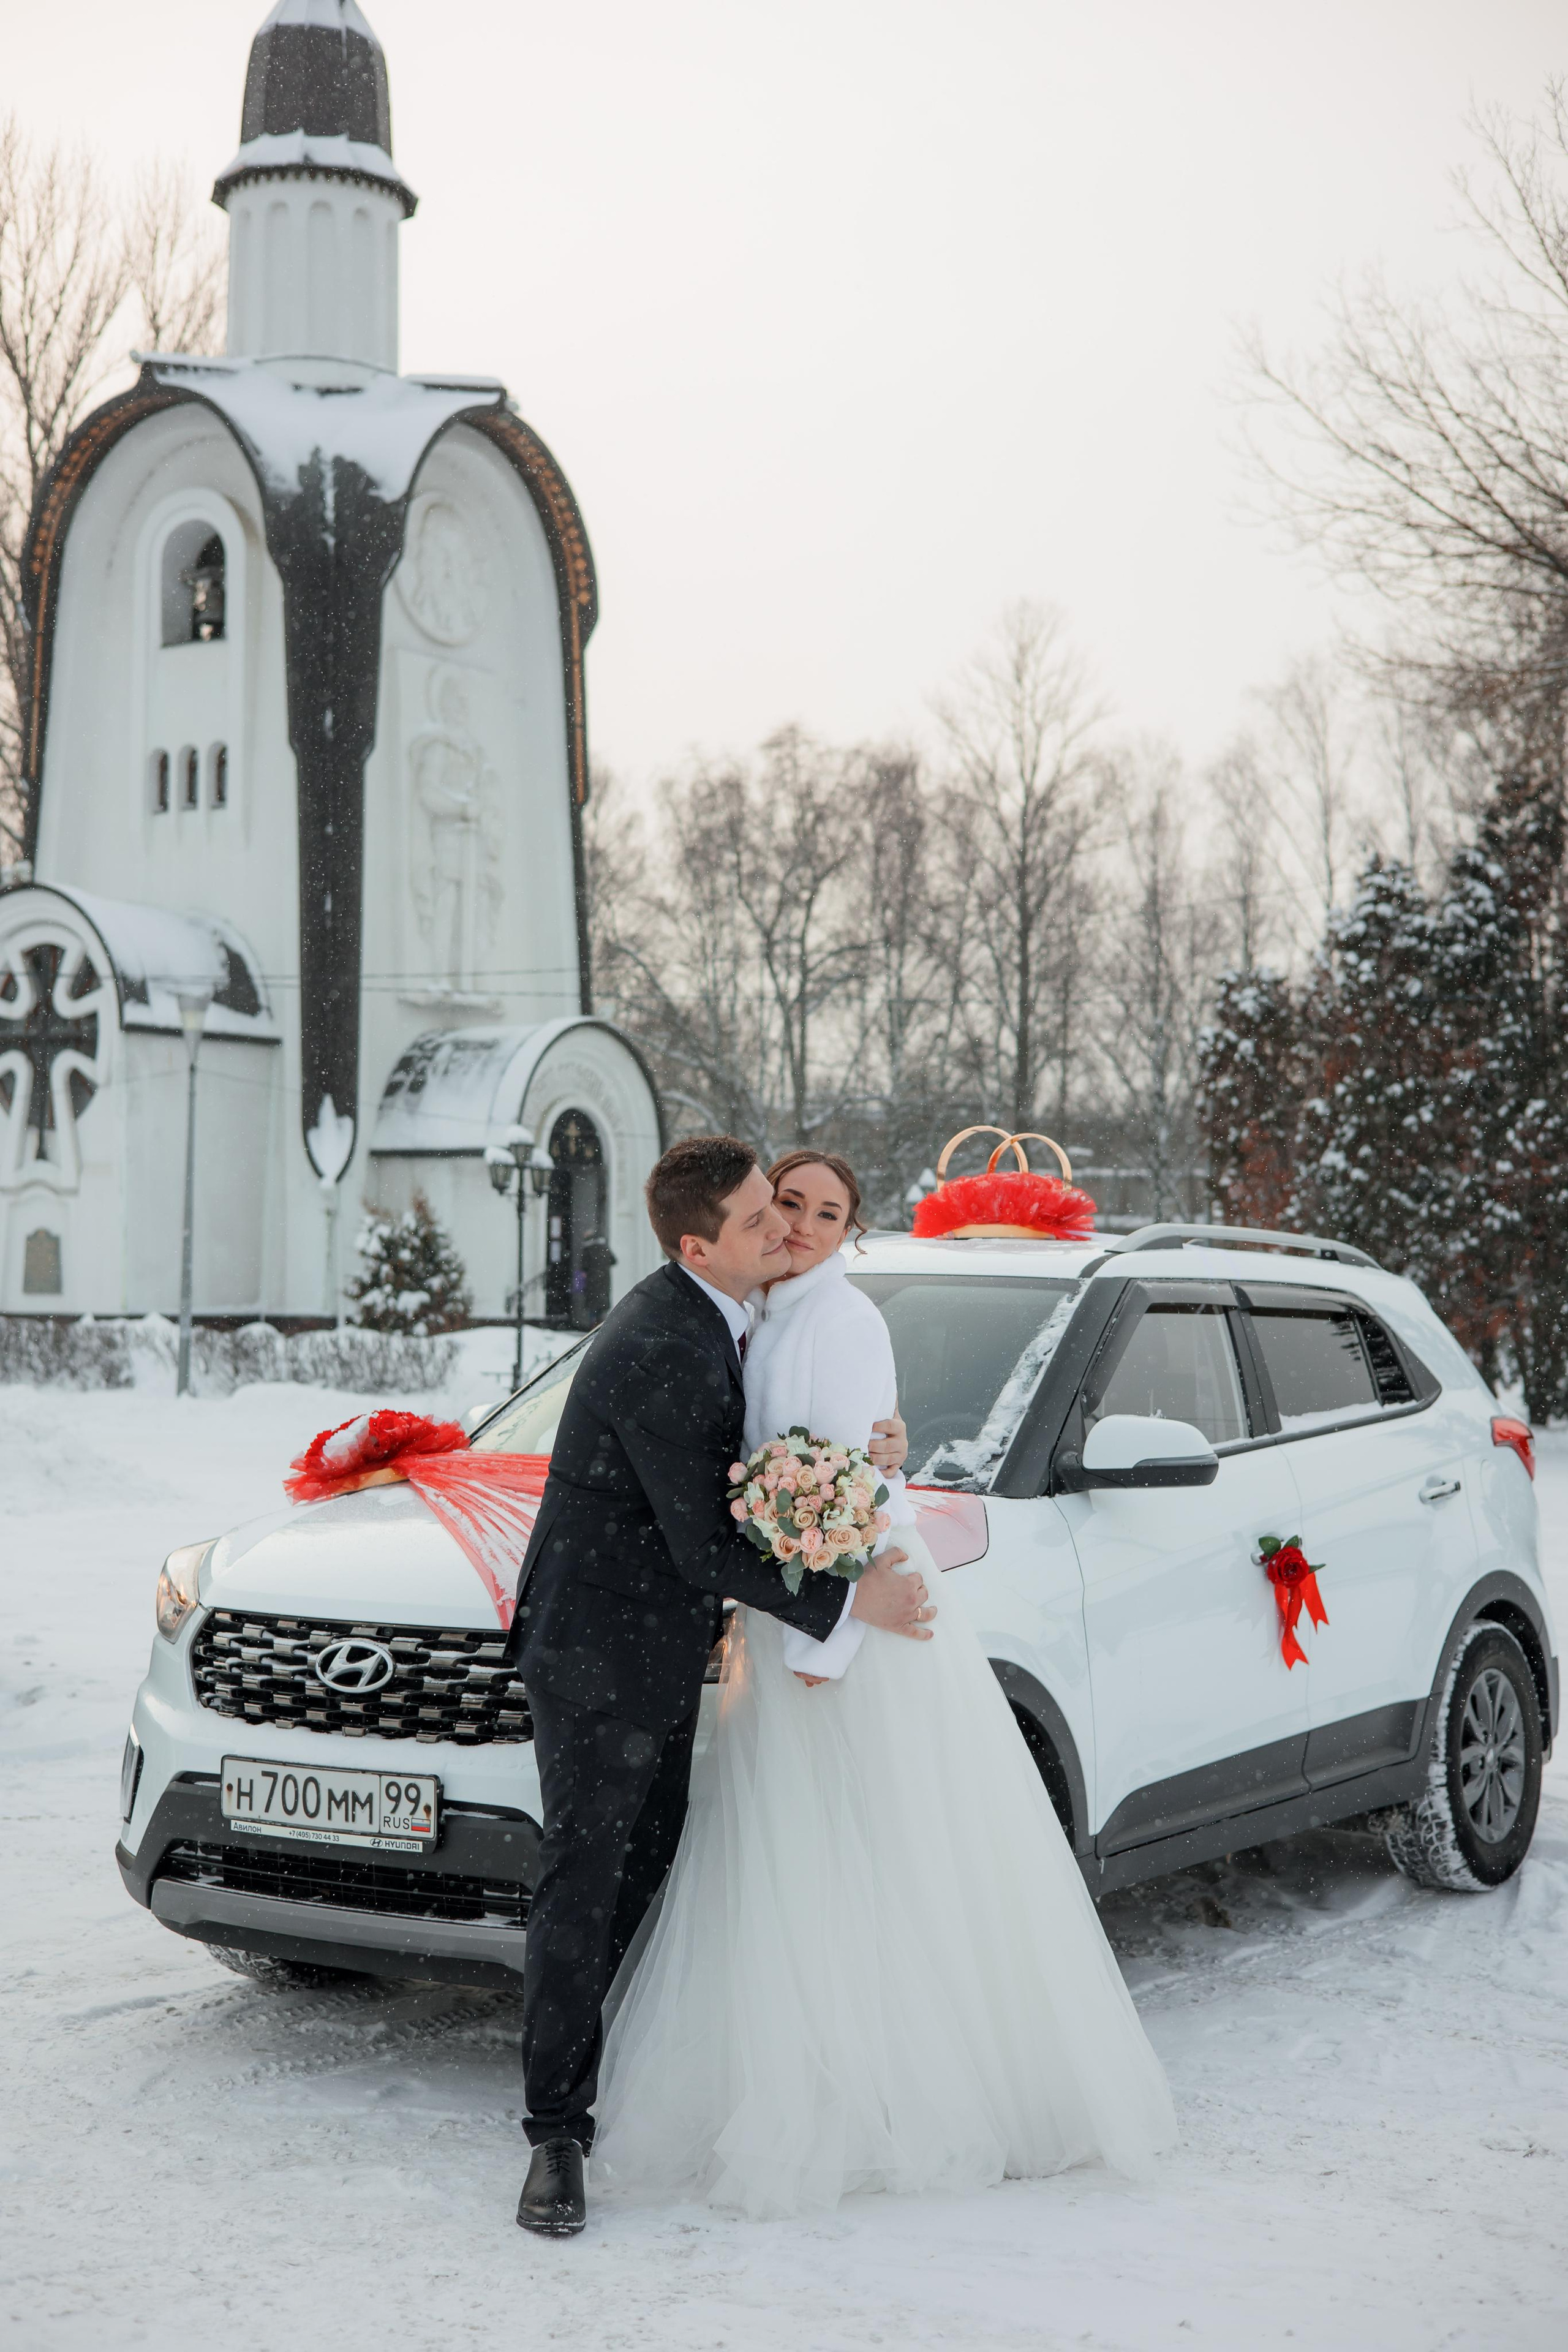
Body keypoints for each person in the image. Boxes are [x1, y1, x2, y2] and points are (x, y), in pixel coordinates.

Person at [591, 1150, 1178, 2217]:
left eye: (825, 1213)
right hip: (797, 1617)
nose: (801, 1226)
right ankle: (806, 2072)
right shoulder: (755, 1314)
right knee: (795, 1866)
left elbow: (853, 1491)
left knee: (879, 1862)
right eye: (784, 1207)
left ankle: (902, 2102)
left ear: (851, 1230)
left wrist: (826, 1647)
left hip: (861, 1621)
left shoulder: (845, 1321)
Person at [512, 1135, 930, 2236]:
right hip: (601, 1656)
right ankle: (553, 2135)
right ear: (702, 1245)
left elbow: (770, 1460)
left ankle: (601, 2084)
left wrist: (876, 1451)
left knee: (646, 1873)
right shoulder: (664, 1341)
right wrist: (849, 1605)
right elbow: (703, 1544)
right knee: (588, 1881)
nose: (783, 1231)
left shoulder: (738, 1317)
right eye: (761, 1219)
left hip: (661, 1654)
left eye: (795, 1214)